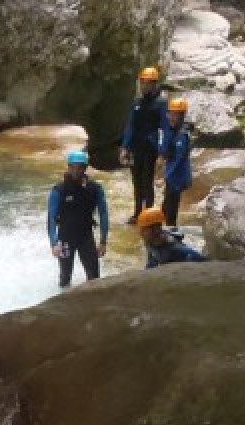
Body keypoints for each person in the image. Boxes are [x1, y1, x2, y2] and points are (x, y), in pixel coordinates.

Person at [46, 150, 110, 288]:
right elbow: (51, 218)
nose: (76, 171)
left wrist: (103, 241)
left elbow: (103, 214)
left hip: (85, 238)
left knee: (94, 277)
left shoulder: (95, 189)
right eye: (73, 167)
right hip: (65, 239)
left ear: (85, 168)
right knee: (65, 277)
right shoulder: (59, 190)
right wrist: (54, 243)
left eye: (80, 167)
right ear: (68, 167)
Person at [120, 66, 169, 224]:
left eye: (148, 83)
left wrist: (162, 153)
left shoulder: (161, 103)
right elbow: (130, 126)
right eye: (142, 82)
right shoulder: (137, 103)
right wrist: (125, 147)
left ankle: (148, 214)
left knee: (147, 182)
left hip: (151, 148)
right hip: (136, 148)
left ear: (154, 84)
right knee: (137, 182)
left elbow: (165, 129)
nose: (144, 86)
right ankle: (137, 213)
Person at [159, 97, 193, 228]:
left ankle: (171, 232)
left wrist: (166, 176)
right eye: (171, 114)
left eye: (176, 115)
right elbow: (164, 148)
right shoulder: (171, 130)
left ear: (182, 116)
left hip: (177, 177)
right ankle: (161, 229)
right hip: (171, 175)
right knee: (165, 207)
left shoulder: (182, 135)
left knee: (171, 211)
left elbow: (178, 160)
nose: (172, 118)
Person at [137, 207, 207, 269]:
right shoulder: (148, 240)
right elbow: (151, 256)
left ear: (156, 229)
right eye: (142, 229)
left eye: (144, 229)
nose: (141, 232)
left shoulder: (173, 246)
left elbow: (196, 257)